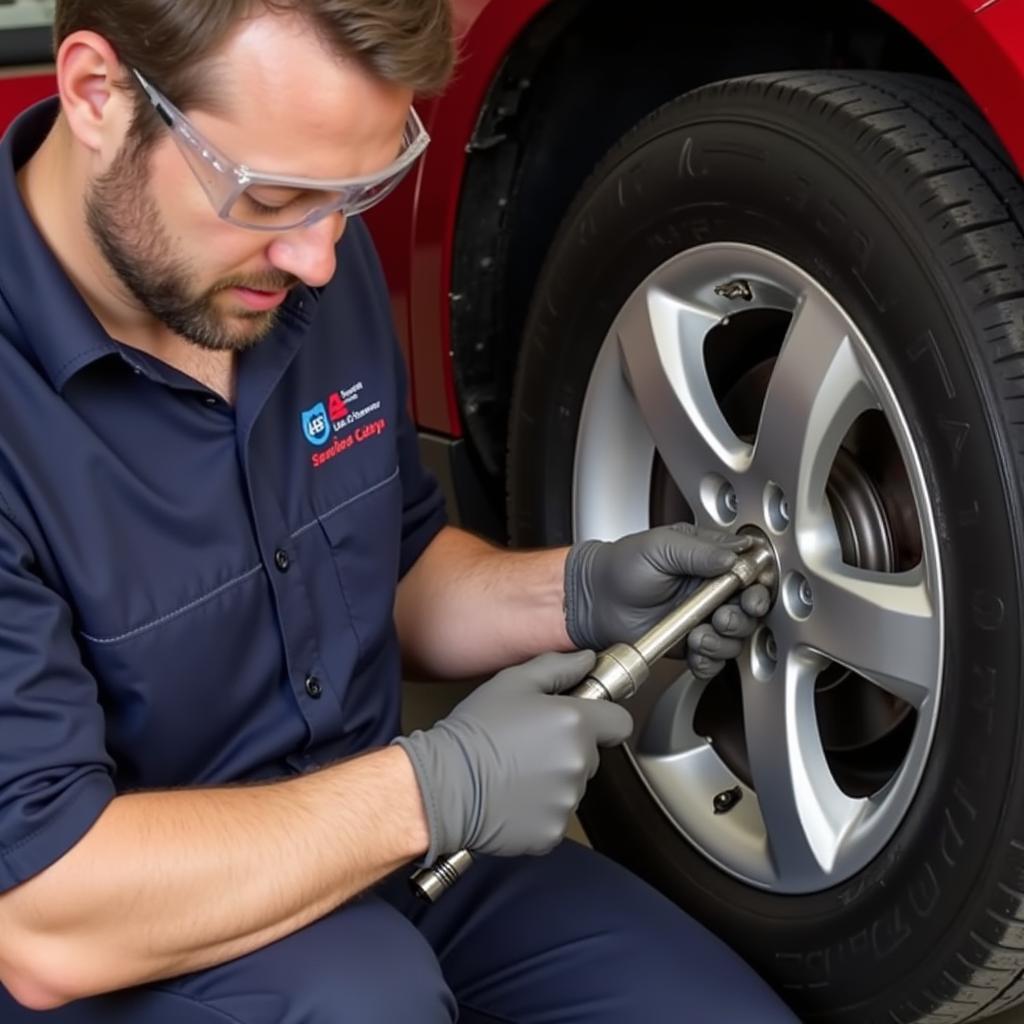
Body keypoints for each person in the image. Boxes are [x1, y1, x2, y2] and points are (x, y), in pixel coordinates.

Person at [0, 2, 798, 1021]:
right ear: (97, 94)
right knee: (363, 998)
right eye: (274, 194)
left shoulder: (291, 262)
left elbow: (392, 563)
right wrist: (437, 786)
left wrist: (586, 592)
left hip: (396, 854)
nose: (321, 260)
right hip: (139, 937)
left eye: (353, 194)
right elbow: (43, 917)